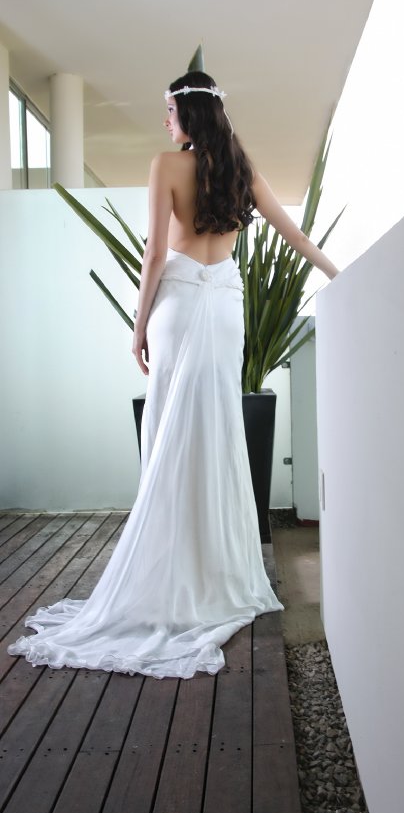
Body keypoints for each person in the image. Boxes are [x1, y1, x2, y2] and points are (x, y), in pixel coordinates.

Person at [8, 71, 339, 679]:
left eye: (169, 110)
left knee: (168, 431)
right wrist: (339, 275)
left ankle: (171, 569)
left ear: (189, 113)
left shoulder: (166, 165)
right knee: (216, 428)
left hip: (178, 306)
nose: (165, 120)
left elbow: (156, 254)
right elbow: (292, 233)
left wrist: (137, 327)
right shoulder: (240, 167)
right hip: (224, 309)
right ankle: (216, 571)